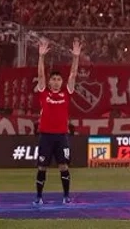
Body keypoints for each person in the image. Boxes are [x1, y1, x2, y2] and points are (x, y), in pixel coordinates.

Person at [34, 38, 81, 205]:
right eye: (53, 79)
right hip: (45, 136)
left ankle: (66, 196)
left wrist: (76, 57)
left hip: (61, 136)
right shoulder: (44, 92)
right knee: (42, 167)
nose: (55, 82)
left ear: (61, 82)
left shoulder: (66, 93)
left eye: (58, 79)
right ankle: (39, 197)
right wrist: (41, 57)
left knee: (64, 166)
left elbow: (73, 75)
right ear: (49, 82)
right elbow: (40, 75)